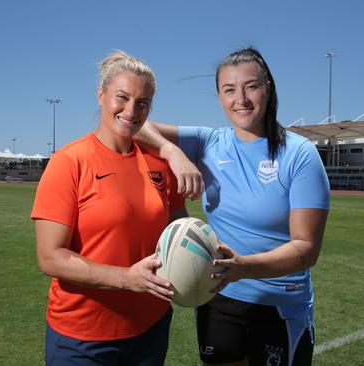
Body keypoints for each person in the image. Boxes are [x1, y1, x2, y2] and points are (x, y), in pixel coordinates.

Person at [136, 47, 330, 365]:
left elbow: (307, 249)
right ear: (219, 96)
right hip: (218, 298)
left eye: (251, 86)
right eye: (229, 89)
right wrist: (173, 153)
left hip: (278, 307)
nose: (240, 99)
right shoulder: (210, 142)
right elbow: (139, 125)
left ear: (268, 87)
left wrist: (243, 269)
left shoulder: (300, 155)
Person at [31, 50, 187, 366]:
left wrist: (206, 250)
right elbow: (50, 257)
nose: (131, 110)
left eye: (142, 102)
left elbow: (180, 231)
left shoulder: (160, 165)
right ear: (101, 95)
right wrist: (126, 278)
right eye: (122, 97)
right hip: (84, 338)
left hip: (151, 327)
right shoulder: (69, 162)